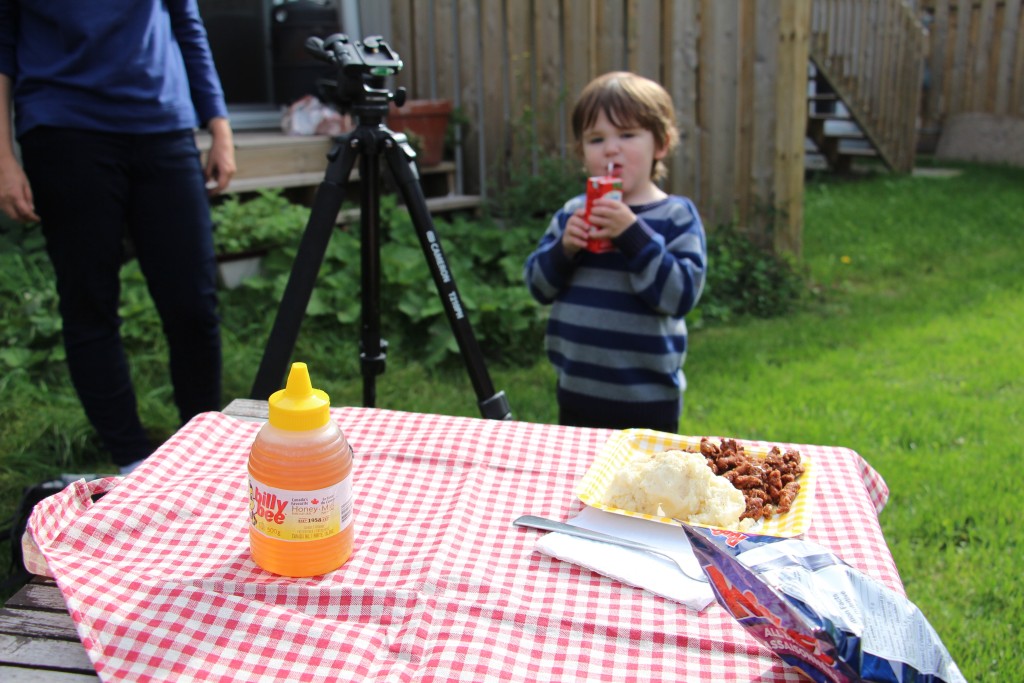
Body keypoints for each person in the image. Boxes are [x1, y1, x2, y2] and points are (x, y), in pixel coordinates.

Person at [0, 0, 237, 473]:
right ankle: (131, 458)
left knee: (193, 305)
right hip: (64, 127)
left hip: (164, 125)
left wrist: (220, 125)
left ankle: (204, 450)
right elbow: (3, 48)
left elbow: (186, 24)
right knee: (89, 300)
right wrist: (4, 158)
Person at [524, 71, 707, 433]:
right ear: (582, 152)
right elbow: (537, 286)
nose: (611, 148)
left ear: (661, 144)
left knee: (643, 488)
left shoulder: (674, 215)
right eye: (596, 139)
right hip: (576, 392)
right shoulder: (573, 213)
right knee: (579, 484)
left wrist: (632, 235)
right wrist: (565, 249)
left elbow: (680, 295)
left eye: (627, 135)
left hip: (647, 401)